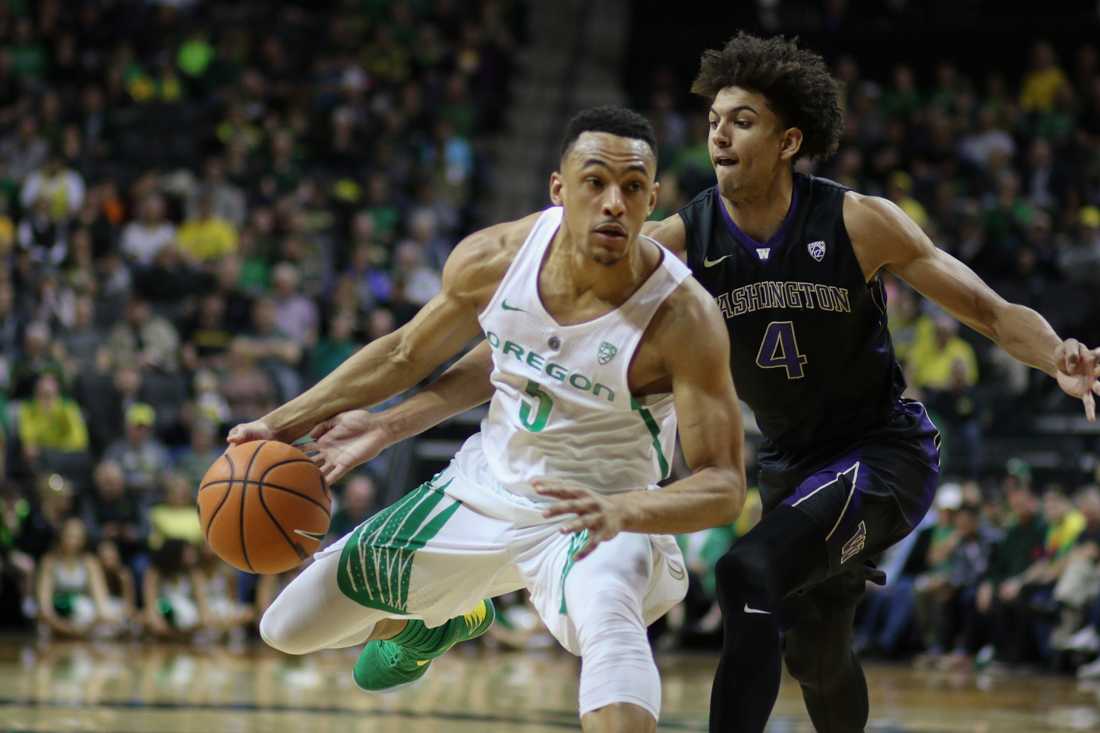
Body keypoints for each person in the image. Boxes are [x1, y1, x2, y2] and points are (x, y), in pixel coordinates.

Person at [305, 34, 1100, 733]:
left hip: (882, 450)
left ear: (789, 140)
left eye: (743, 119)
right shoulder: (679, 243)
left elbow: (992, 313)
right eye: (714, 119)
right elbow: (542, 353)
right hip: (793, 464)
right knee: (817, 651)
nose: (719, 132)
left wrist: (1058, 354)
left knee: (745, 572)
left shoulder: (859, 221)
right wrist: (395, 418)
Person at [228, 107, 747, 733]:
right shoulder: (497, 259)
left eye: (632, 187)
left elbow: (724, 486)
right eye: (595, 182)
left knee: (609, 625)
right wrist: (283, 424)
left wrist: (625, 512)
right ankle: (440, 621)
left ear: (652, 198)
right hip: (483, 491)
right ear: (559, 188)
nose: (614, 202)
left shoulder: (683, 317)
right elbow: (404, 354)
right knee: (286, 628)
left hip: (598, 513)